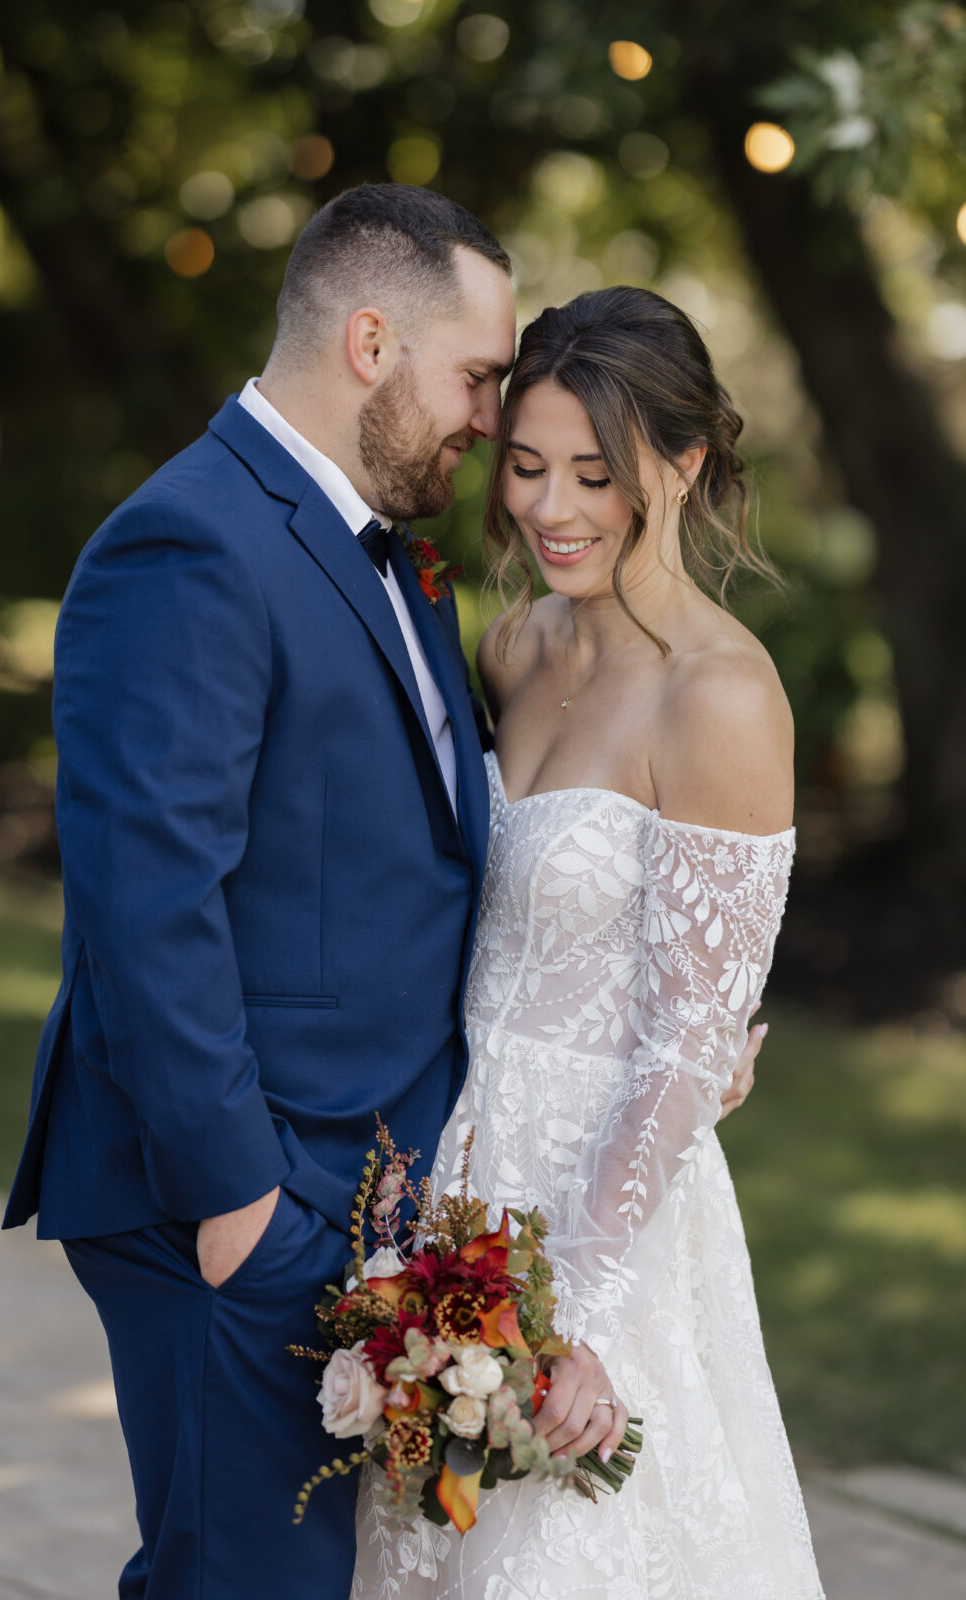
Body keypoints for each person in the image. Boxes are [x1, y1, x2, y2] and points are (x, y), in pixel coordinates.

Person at [4, 185, 761, 1600]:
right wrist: (240, 1211)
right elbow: (144, 906)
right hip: (230, 1194)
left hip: (395, 1205)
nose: (492, 431)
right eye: (479, 382)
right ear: (369, 341)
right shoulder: (193, 543)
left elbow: (438, 878)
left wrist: (679, 1040)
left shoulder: (397, 560)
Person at [351, 287, 824, 1598]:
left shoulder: (720, 695)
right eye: (527, 465)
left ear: (681, 467)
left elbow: (683, 1046)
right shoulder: (514, 645)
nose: (551, 508)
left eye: (595, 474)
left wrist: (576, 1319)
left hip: (607, 1207)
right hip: (460, 1181)